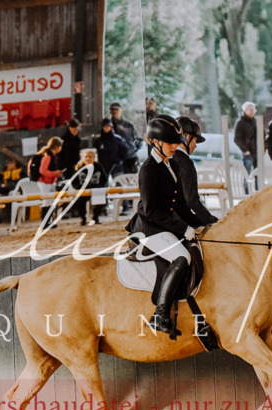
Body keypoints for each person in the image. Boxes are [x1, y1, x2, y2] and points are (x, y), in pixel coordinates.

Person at [126, 115, 206, 336]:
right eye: (170, 143)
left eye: (176, 142)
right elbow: (151, 210)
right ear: (155, 142)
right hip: (150, 228)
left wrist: (201, 225)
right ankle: (159, 315)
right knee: (182, 257)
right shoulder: (149, 169)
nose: (175, 146)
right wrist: (183, 229)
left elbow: (180, 205)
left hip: (165, 226)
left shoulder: (172, 165)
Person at [175, 116, 219, 226]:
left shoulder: (167, 157)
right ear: (188, 137)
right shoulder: (185, 163)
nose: (195, 147)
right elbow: (191, 200)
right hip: (176, 220)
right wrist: (212, 220)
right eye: (195, 141)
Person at [69, 148, 108, 225]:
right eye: (86, 157)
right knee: (79, 200)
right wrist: (79, 188)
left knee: (102, 199)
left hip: (95, 189)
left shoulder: (98, 167)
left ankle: (95, 217)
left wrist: (99, 187)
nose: (88, 158)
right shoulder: (78, 167)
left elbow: (104, 179)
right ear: (83, 158)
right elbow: (74, 181)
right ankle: (83, 218)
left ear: (94, 158)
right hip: (82, 190)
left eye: (90, 157)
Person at [109, 102, 140, 174]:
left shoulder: (129, 125)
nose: (115, 111)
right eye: (112, 109)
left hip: (130, 158)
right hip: (116, 160)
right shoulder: (108, 126)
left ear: (122, 110)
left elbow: (135, 139)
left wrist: (134, 150)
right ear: (110, 111)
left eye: (116, 109)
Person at [234, 101, 258, 175]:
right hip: (247, 153)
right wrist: (245, 150)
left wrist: (263, 148)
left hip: (257, 152)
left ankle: (259, 187)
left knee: (258, 173)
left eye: (253, 110)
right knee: (247, 173)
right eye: (250, 110)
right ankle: (246, 186)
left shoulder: (257, 122)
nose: (252, 112)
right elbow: (237, 138)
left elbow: (263, 135)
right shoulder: (240, 122)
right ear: (245, 110)